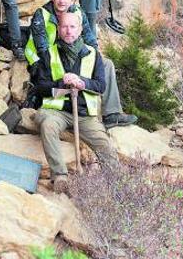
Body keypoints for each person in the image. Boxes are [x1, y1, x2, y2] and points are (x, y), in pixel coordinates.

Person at [28, 12, 120, 193]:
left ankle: (117, 182)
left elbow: (101, 86)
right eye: (64, 27)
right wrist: (61, 83)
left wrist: (81, 82)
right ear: (58, 29)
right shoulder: (48, 54)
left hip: (84, 114)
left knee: (105, 145)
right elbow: (39, 86)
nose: (68, 31)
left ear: (80, 30)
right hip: (56, 111)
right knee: (48, 126)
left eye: (72, 27)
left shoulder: (93, 55)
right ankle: (60, 176)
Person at [25, 0, 137, 129]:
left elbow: (89, 36)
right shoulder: (42, 14)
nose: (61, 0)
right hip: (46, 59)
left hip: (73, 54)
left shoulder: (77, 12)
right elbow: (42, 47)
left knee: (106, 64)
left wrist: (94, 55)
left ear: (73, 0)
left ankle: (111, 114)